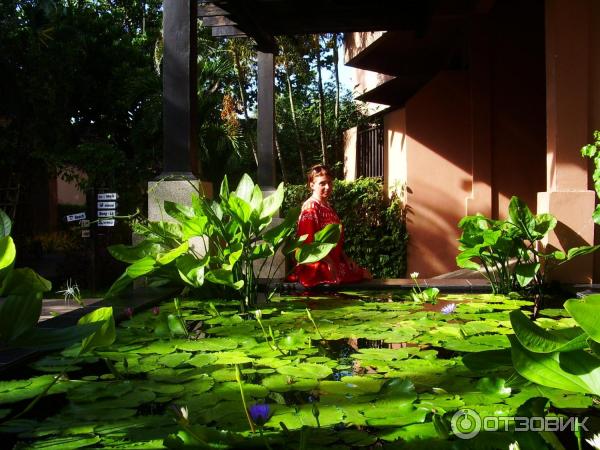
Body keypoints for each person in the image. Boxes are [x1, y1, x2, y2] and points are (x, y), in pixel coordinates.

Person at [287, 164, 371, 288]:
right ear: (312, 185)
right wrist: (329, 262)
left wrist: (347, 259)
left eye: (329, 183)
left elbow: (334, 241)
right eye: (322, 183)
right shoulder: (310, 207)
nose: (327, 187)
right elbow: (308, 242)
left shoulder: (328, 208)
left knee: (365, 273)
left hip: (334, 262)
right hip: (317, 264)